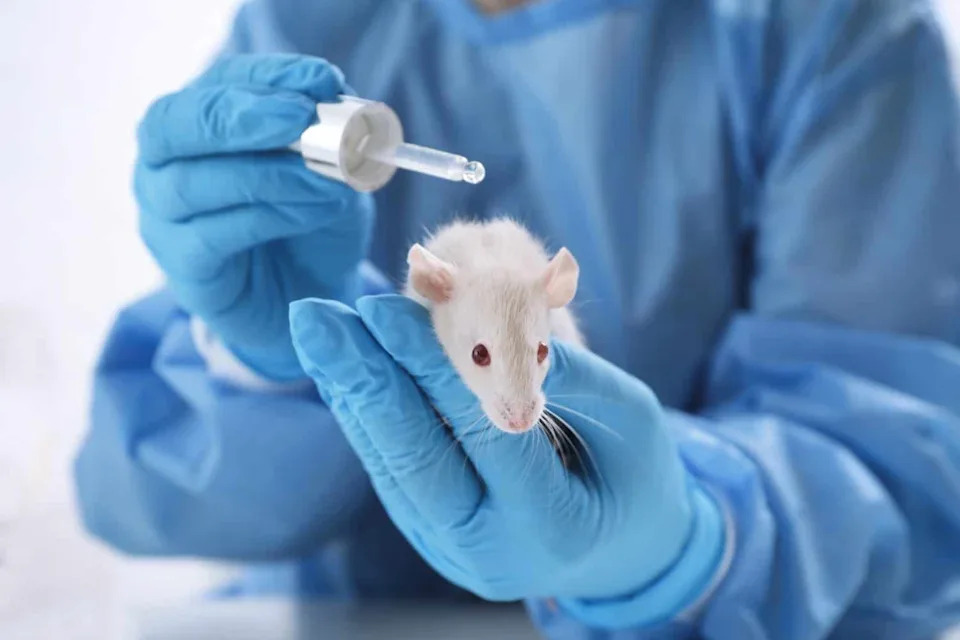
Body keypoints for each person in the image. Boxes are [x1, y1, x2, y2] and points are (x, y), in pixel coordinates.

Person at [74, 0, 960, 637]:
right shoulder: (311, 26)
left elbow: (907, 452)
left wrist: (692, 539)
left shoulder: (828, 30)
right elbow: (152, 488)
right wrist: (259, 358)